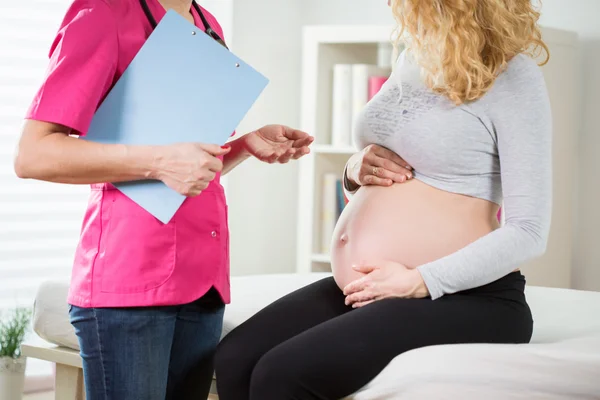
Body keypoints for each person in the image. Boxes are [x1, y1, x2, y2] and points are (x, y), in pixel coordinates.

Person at [214, 0, 552, 398]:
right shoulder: (413, 56)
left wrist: (418, 281)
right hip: (372, 286)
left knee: (281, 373)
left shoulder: (513, 75)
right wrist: (354, 171)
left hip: (468, 296)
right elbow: (396, 170)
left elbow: (529, 231)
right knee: (235, 358)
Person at [13, 0, 313, 399]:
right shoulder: (104, 13)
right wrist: (159, 162)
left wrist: (242, 146)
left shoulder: (207, 24)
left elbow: (185, 169)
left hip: (203, 282)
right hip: (130, 281)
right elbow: (34, 155)